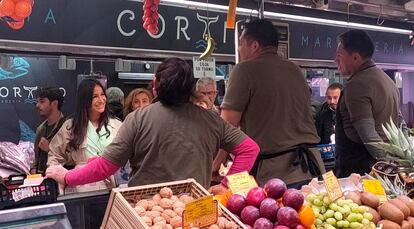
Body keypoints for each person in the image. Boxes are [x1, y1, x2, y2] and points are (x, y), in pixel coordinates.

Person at [46, 58, 259, 193]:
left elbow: (105, 167)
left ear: (156, 84)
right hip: (195, 209)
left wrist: (67, 176)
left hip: (147, 211)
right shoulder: (211, 119)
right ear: (191, 89)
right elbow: (250, 149)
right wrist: (225, 186)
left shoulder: (138, 119)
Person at [220, 19, 324, 187]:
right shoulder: (295, 69)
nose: (239, 49)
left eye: (241, 44)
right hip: (311, 167)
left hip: (274, 174)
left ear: (254, 46)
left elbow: (227, 126)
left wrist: (215, 163)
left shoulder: (245, 69)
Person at [334, 29, 400, 178]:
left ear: (356, 58)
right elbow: (399, 122)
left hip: (361, 171)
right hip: (381, 168)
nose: (335, 61)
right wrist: (395, 163)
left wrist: (388, 164)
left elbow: (369, 137)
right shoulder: (388, 81)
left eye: (339, 56)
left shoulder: (356, 84)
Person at [47, 78, 123, 167]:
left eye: (102, 94)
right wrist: (58, 176)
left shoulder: (117, 124)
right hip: (84, 179)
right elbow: (54, 155)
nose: (101, 100)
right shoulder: (71, 126)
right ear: (84, 99)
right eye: (95, 96)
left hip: (112, 178)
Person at [30, 87, 66, 174]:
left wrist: (49, 149)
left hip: (63, 181)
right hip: (43, 181)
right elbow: (36, 159)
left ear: (54, 103)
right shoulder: (40, 129)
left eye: (42, 101)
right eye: (37, 101)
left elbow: (74, 159)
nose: (37, 105)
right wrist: (33, 170)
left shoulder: (68, 127)